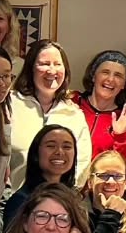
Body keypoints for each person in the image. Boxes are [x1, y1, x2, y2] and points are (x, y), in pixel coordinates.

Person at [9, 40, 92, 183]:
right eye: (45, 64)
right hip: (13, 198)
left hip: (58, 197)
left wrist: (64, 192)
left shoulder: (74, 114)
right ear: (31, 68)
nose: (52, 70)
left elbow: (82, 162)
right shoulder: (10, 104)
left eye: (57, 64)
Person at [3, 123, 80, 228]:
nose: (59, 152)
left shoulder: (76, 198)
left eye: (67, 147)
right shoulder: (21, 201)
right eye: (51, 146)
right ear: (35, 154)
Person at [76, 50, 126, 169]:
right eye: (105, 72)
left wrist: (121, 136)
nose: (110, 79)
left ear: (124, 84)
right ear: (93, 76)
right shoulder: (72, 103)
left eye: (118, 75)